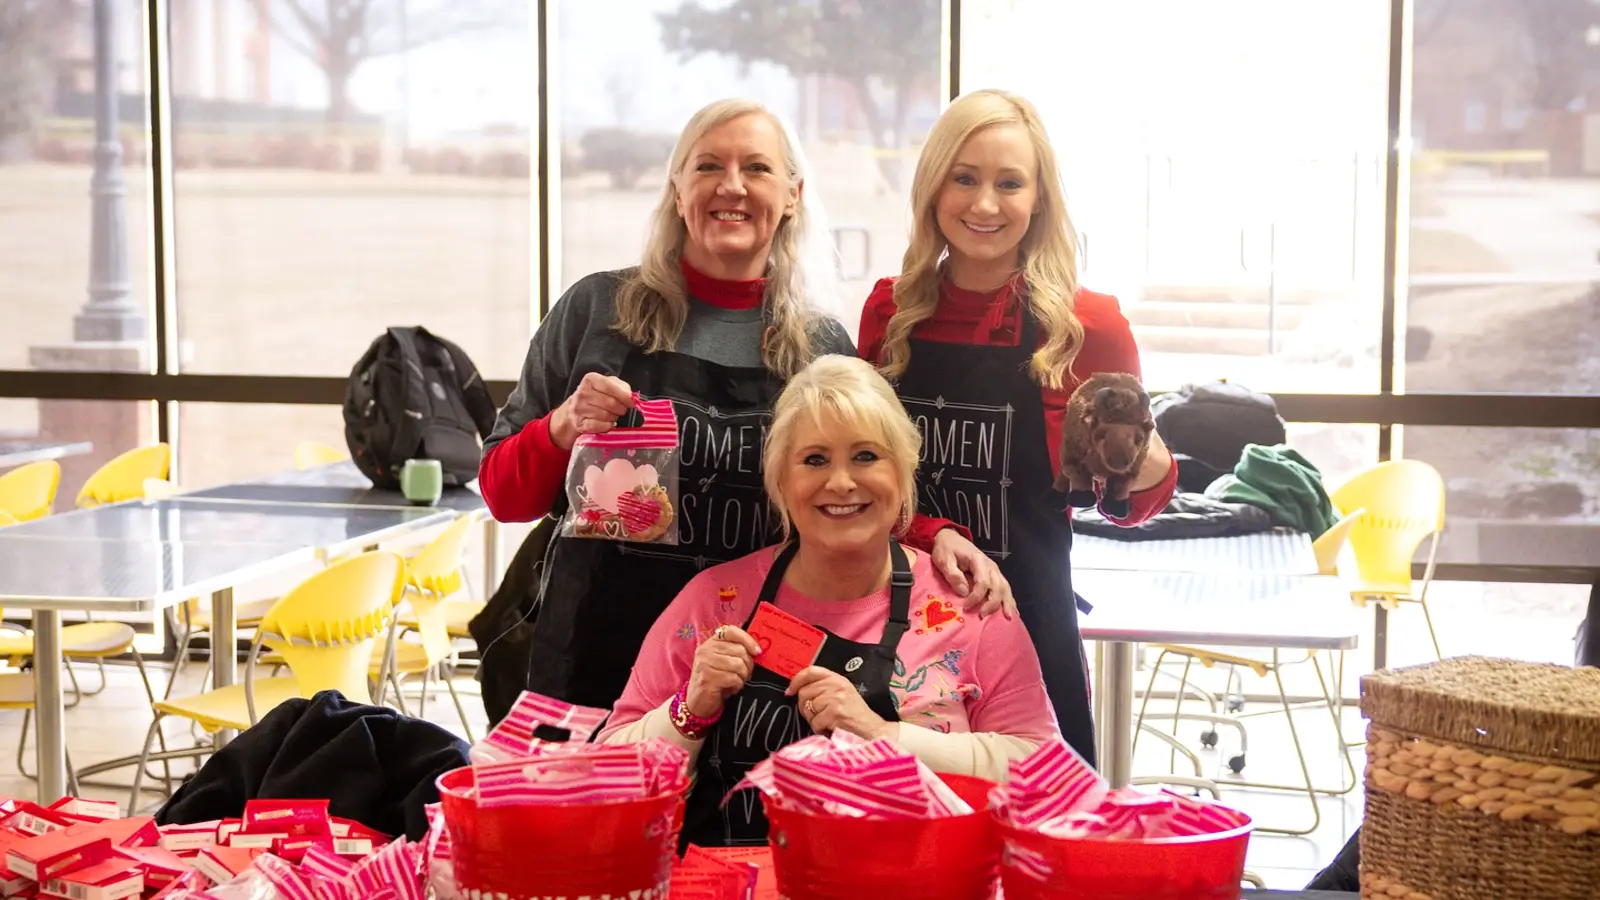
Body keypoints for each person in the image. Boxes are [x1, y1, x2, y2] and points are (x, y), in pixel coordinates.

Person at [477, 98, 1003, 712]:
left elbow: (855, 487)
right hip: (594, 660)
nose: (731, 186)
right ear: (678, 191)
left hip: (755, 669)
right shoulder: (595, 311)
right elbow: (500, 493)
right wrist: (561, 427)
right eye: (707, 167)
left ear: (792, 195)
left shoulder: (820, 345)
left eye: (756, 168)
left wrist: (937, 535)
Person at [601, 355, 1059, 847]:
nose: (841, 482)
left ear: (904, 472)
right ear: (781, 482)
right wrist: (689, 711)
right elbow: (606, 783)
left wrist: (883, 736)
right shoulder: (714, 602)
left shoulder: (971, 607)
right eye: (814, 459)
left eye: (866, 456)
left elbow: (1046, 780)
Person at [858, 89, 1179, 767]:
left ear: (1038, 201)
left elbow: (1139, 503)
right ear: (933, 188)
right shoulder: (891, 312)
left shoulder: (1089, 326)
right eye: (964, 178)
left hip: (1031, 630)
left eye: (1009, 183)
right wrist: (933, 532)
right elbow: (861, 480)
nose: (984, 204)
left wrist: (1144, 458)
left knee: (1042, 842)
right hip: (898, 630)